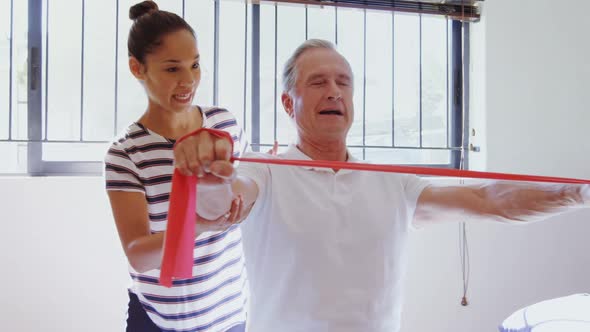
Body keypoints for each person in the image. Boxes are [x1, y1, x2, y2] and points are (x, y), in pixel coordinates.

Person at [172, 39, 589, 332]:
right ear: (288, 102)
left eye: (343, 82)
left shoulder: (393, 181)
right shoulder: (266, 172)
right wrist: (208, 176)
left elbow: (487, 199)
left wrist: (579, 193)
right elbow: (222, 204)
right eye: (318, 82)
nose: (334, 91)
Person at [104, 1, 249, 331]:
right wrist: (196, 225)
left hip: (226, 315)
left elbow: (245, 194)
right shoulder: (126, 153)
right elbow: (138, 255)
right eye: (172, 69)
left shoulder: (224, 126)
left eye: (194, 65)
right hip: (157, 319)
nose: (189, 81)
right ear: (137, 68)